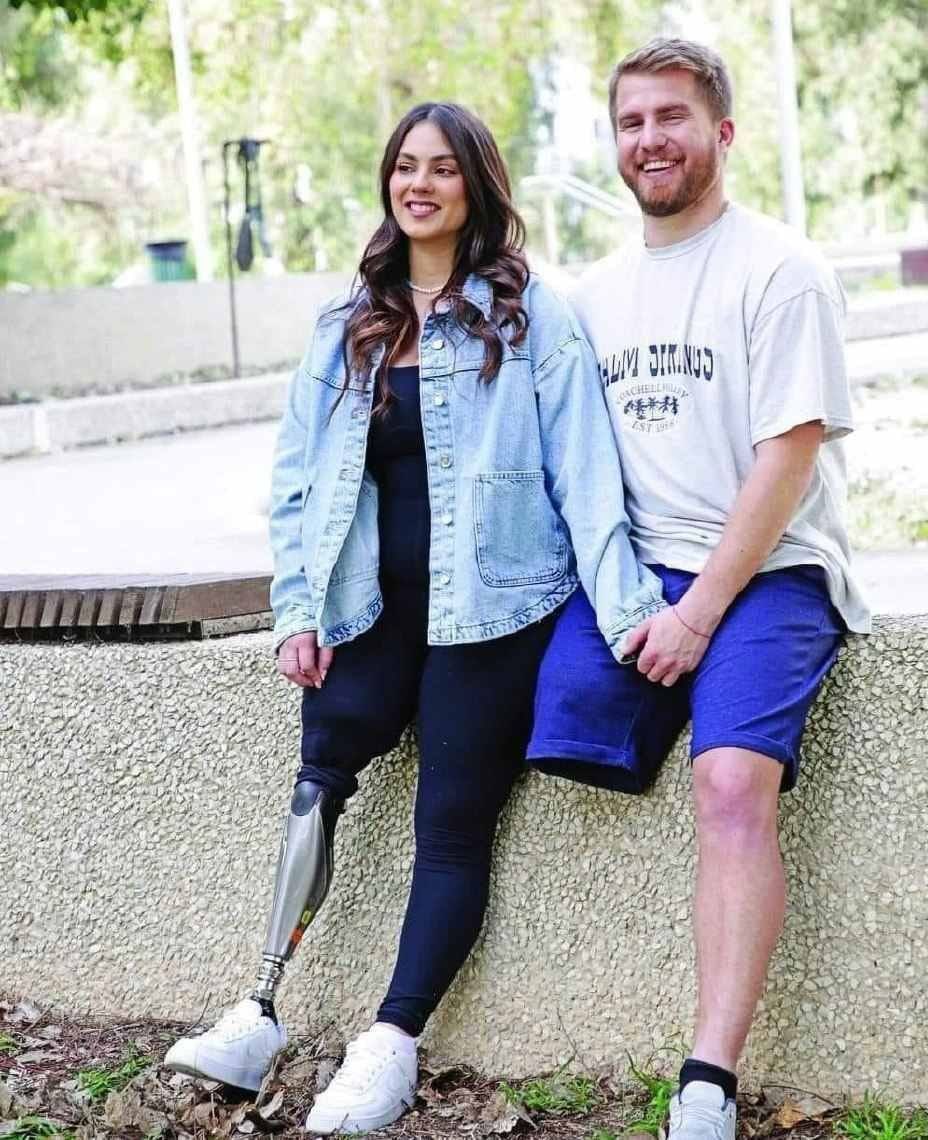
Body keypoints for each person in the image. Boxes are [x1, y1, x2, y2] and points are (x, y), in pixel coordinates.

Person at [163, 101, 664, 1135]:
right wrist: (295, 608)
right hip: (370, 608)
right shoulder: (348, 322)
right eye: (404, 165)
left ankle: (388, 1042)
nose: (419, 182)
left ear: (476, 184)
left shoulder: (532, 315)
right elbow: (299, 478)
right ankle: (256, 1010)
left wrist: (629, 615)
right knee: (321, 775)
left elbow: (585, 471)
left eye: (441, 167)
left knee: (449, 826)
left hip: (494, 612)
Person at [526, 38, 871, 1140]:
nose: (649, 141)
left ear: (720, 133)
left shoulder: (781, 269)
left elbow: (788, 459)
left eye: (671, 118)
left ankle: (705, 1083)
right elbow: (577, 470)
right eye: (630, 123)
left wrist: (694, 614)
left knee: (728, 784)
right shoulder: (591, 297)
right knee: (497, 720)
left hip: (767, 571)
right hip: (639, 573)